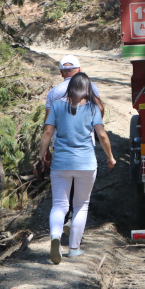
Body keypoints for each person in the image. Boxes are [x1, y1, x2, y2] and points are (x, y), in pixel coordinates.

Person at [35, 72, 116, 264]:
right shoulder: (92, 108)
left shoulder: (56, 105)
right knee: (81, 205)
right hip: (86, 164)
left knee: (59, 205)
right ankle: (74, 249)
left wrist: (40, 157)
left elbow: (47, 132)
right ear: (87, 89)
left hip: (61, 163)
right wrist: (110, 157)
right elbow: (102, 135)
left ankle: (55, 235)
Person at [44, 55, 103, 236]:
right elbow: (100, 112)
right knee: (81, 198)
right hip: (85, 148)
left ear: (62, 72)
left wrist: (44, 151)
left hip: (61, 147)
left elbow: (47, 125)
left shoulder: (54, 93)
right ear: (79, 70)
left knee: (61, 196)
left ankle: (59, 228)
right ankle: (73, 234)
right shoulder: (91, 88)